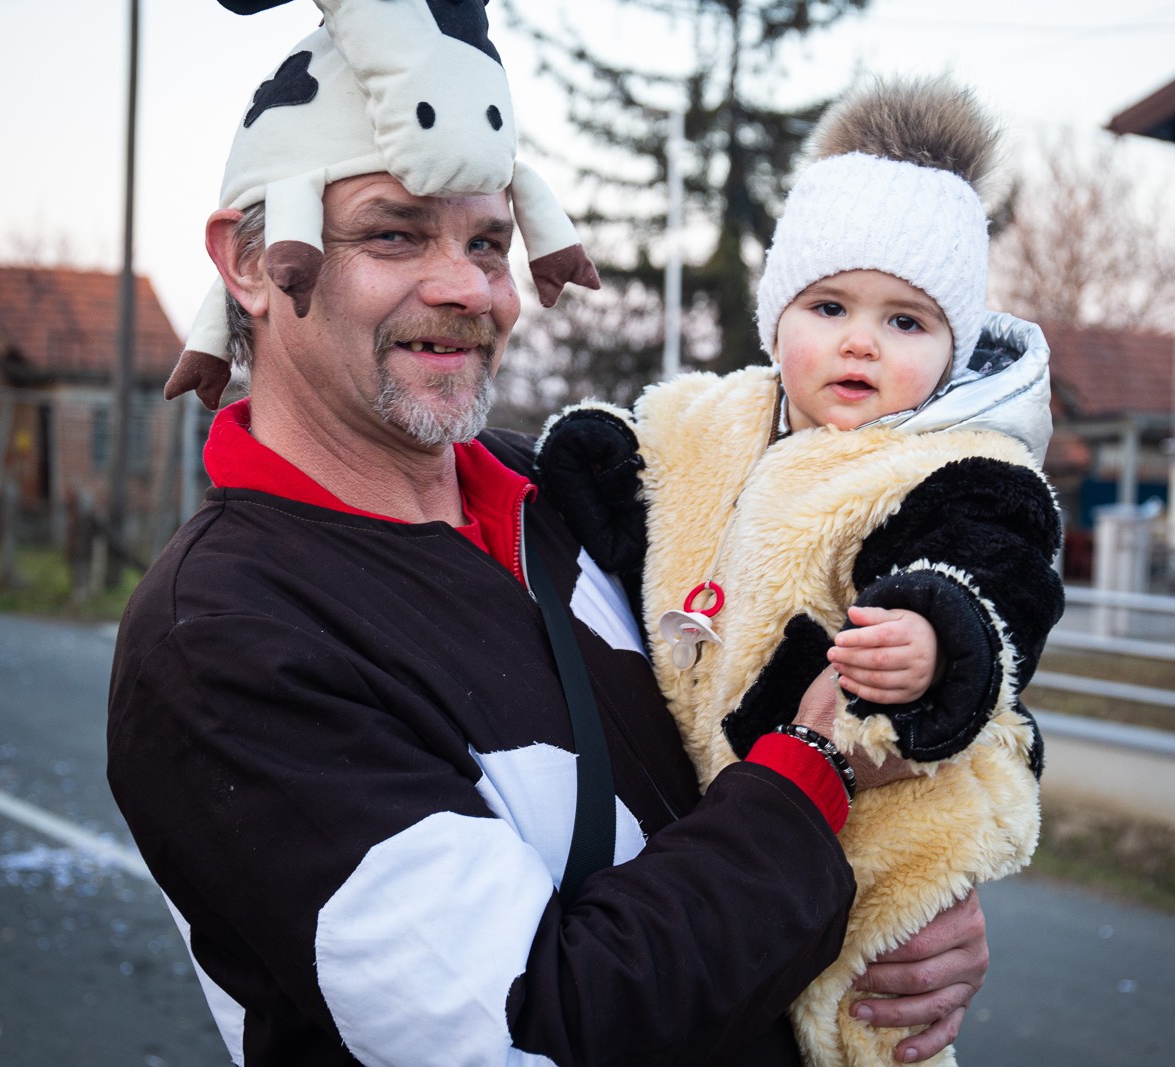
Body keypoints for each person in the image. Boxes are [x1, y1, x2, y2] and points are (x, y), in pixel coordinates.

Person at [108, 4, 988, 1065]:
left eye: (487, 240)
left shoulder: (581, 487)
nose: (467, 288)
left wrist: (918, 880)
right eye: (394, 232)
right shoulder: (223, 633)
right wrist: (813, 779)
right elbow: (540, 1028)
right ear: (248, 264)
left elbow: (877, 601)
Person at [534, 77, 1064, 1066]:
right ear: (778, 320)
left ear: (950, 351)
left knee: (865, 1015)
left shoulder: (949, 467)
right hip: (727, 801)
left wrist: (936, 631)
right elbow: (649, 470)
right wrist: (592, 469)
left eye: (907, 322)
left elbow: (996, 568)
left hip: (873, 814)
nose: (861, 339)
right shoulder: (724, 417)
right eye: (830, 305)